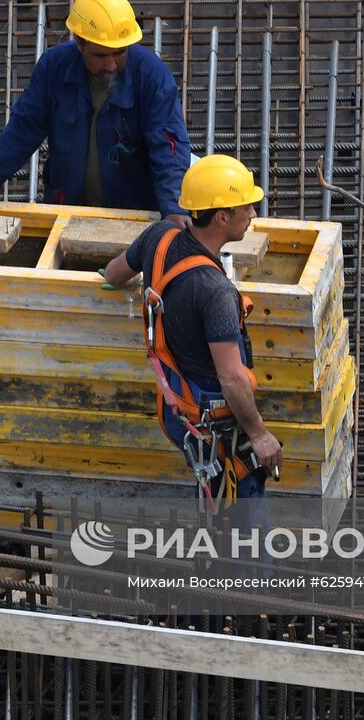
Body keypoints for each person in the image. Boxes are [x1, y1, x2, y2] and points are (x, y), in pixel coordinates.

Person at [101, 155, 282, 514]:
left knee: (211, 501)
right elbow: (231, 377)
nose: (253, 214)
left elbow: (113, 274)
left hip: (176, 407)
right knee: (242, 525)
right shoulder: (214, 291)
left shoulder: (160, 237)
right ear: (221, 217)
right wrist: (260, 435)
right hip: (215, 424)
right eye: (247, 206)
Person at [0, 0, 192, 226]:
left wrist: (173, 209)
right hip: (67, 209)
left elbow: (168, 147)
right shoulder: (54, 68)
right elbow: (23, 130)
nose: (111, 65)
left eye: (119, 53)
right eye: (100, 55)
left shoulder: (151, 77)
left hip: (133, 215)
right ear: (79, 42)